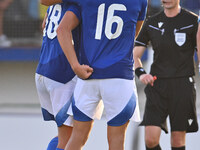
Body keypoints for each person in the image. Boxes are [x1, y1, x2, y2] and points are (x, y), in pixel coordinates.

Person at [133, 0, 199, 150]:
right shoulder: (152, 22)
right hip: (157, 85)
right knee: (150, 140)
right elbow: (135, 55)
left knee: (177, 141)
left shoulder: (193, 21)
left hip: (183, 85)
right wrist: (141, 73)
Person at [35, 1, 81, 150]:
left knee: (64, 136)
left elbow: (44, 25)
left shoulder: (53, 5)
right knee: (69, 140)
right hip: (62, 74)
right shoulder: (77, 5)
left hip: (44, 69)